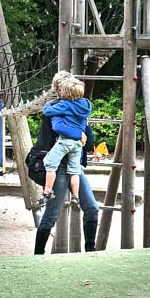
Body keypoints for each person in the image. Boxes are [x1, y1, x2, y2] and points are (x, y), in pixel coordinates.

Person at [34, 71, 99, 254]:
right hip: (59, 166)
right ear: (59, 90)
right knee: (52, 214)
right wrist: (79, 134)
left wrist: (85, 128)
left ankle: (90, 251)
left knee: (92, 208)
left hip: (73, 164)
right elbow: (56, 128)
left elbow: (89, 141)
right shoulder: (56, 107)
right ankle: (38, 255)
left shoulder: (80, 107)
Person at [40, 76, 92, 208]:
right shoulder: (85, 105)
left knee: (49, 162)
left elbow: (48, 112)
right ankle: (75, 196)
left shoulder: (63, 105)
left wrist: (48, 103)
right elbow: (88, 136)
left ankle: (47, 192)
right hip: (78, 144)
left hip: (66, 142)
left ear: (64, 93)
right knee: (74, 170)